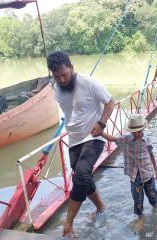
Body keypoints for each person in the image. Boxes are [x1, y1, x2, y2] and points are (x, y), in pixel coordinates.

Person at [47, 51, 115, 238]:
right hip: (74, 140)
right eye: (57, 76)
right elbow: (69, 112)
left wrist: (101, 123)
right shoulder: (57, 88)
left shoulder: (89, 83)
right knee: (83, 178)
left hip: (93, 138)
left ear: (71, 68)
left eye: (64, 75)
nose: (61, 79)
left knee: (81, 175)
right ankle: (101, 207)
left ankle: (68, 226)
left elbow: (111, 103)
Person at [101, 114, 157, 221]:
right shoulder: (126, 140)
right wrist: (101, 133)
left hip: (148, 175)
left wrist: (156, 170)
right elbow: (113, 139)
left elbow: (151, 154)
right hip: (135, 177)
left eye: (138, 131)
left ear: (142, 129)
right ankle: (140, 218)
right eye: (134, 131)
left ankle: (155, 208)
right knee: (137, 200)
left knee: (153, 196)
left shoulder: (147, 140)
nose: (136, 133)